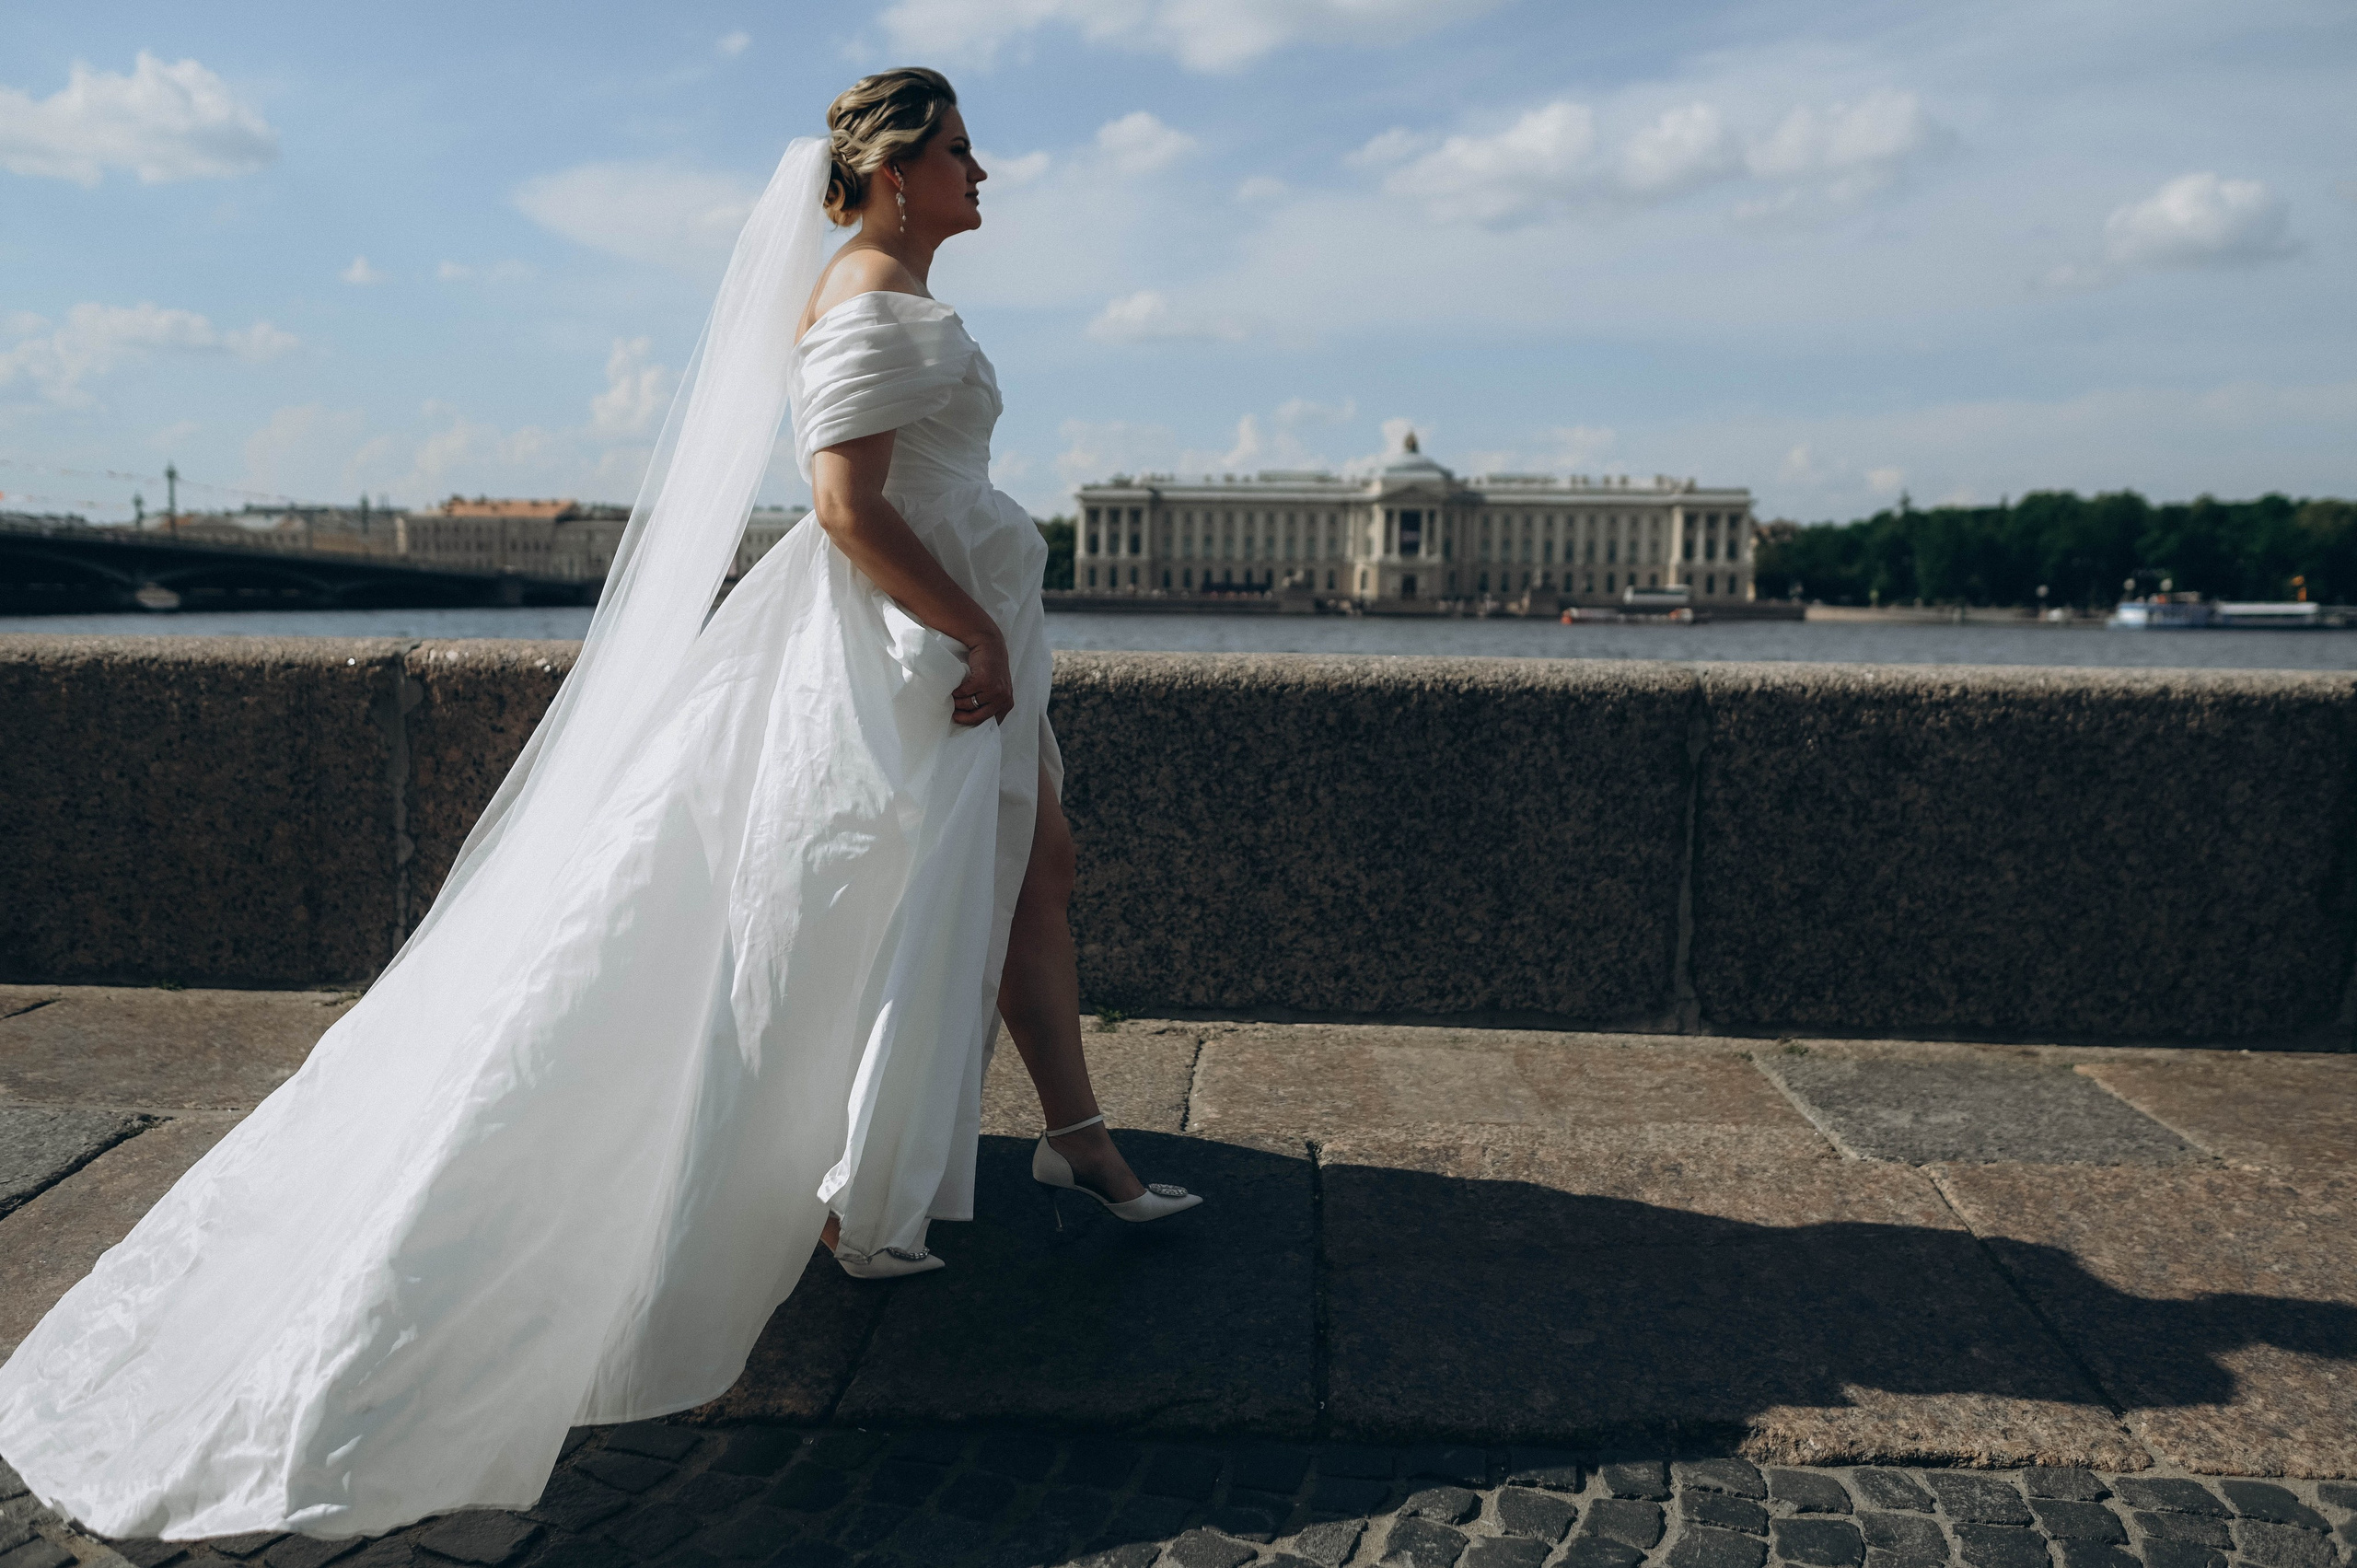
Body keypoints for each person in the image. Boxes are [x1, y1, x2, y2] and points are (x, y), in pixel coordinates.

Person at [0, 67, 1199, 1543]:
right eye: (960, 151)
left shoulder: (869, 285)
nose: (983, 171)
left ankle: (1061, 1136)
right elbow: (845, 505)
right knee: (896, 906)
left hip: (922, 636)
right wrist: (981, 628)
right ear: (896, 174)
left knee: (1030, 870)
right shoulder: (880, 301)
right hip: (915, 649)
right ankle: (938, 1161)